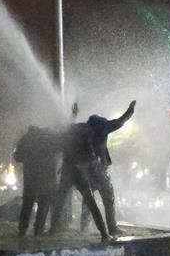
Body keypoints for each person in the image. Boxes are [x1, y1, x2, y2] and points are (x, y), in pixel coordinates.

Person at [77, 101, 136, 236]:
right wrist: (131, 110)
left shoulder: (83, 130)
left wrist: (73, 114)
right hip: (100, 170)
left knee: (88, 200)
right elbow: (121, 121)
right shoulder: (104, 128)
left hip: (87, 170)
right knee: (108, 199)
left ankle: (84, 227)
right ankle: (112, 228)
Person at [50, 121, 110, 239]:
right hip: (79, 174)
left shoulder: (66, 136)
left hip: (67, 173)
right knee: (90, 201)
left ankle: (53, 229)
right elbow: (91, 156)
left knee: (59, 202)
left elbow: (60, 150)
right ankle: (104, 232)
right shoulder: (85, 136)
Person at [14, 126, 61, 237]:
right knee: (43, 204)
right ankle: (38, 230)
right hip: (47, 178)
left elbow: (17, 157)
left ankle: (22, 229)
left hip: (31, 177)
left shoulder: (25, 139)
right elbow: (59, 149)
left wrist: (29, 158)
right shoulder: (49, 138)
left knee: (27, 203)